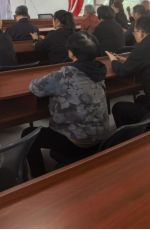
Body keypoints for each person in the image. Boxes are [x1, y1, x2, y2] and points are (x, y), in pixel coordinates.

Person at [21, 31, 109, 178]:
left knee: (27, 134)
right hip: (102, 136)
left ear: (71, 53)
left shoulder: (64, 75)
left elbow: (34, 87)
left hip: (77, 142)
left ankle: (38, 177)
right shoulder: (100, 70)